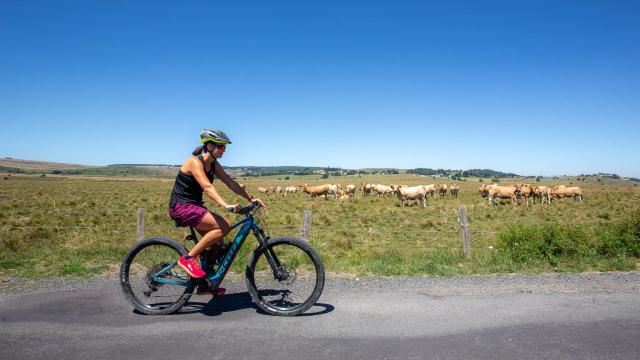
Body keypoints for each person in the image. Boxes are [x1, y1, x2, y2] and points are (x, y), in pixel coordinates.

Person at [168, 129, 265, 294]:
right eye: (221, 146)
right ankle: (188, 259)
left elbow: (231, 183)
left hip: (195, 206)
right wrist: (225, 205)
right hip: (181, 207)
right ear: (210, 146)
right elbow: (207, 186)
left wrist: (250, 198)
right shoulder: (194, 162)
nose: (224, 150)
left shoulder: (214, 165)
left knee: (216, 243)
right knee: (224, 227)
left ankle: (204, 284)